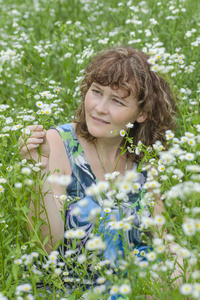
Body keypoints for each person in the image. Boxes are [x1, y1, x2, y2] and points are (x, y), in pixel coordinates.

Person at [19, 46, 177, 297]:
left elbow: (160, 237)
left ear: (143, 113)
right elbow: (48, 245)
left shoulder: (144, 158)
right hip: (68, 288)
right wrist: (39, 172)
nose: (99, 108)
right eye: (96, 92)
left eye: (117, 100)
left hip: (130, 284)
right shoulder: (59, 142)